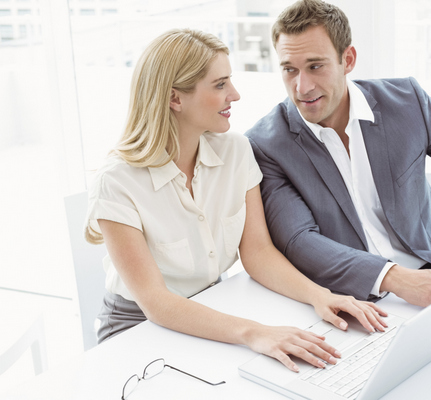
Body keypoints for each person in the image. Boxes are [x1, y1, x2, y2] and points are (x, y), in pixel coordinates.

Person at [84, 28, 387, 373]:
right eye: (220, 85)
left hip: (210, 311)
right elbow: (156, 303)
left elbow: (257, 253)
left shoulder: (235, 151)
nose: (235, 94)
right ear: (175, 99)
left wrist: (320, 296)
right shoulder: (116, 181)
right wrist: (255, 333)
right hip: (136, 328)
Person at [245, 0, 431, 307]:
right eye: (289, 70)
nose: (302, 86)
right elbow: (299, 241)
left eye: (315, 66)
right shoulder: (266, 144)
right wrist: (393, 278)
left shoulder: (406, 103)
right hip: (355, 298)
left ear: (347, 60)